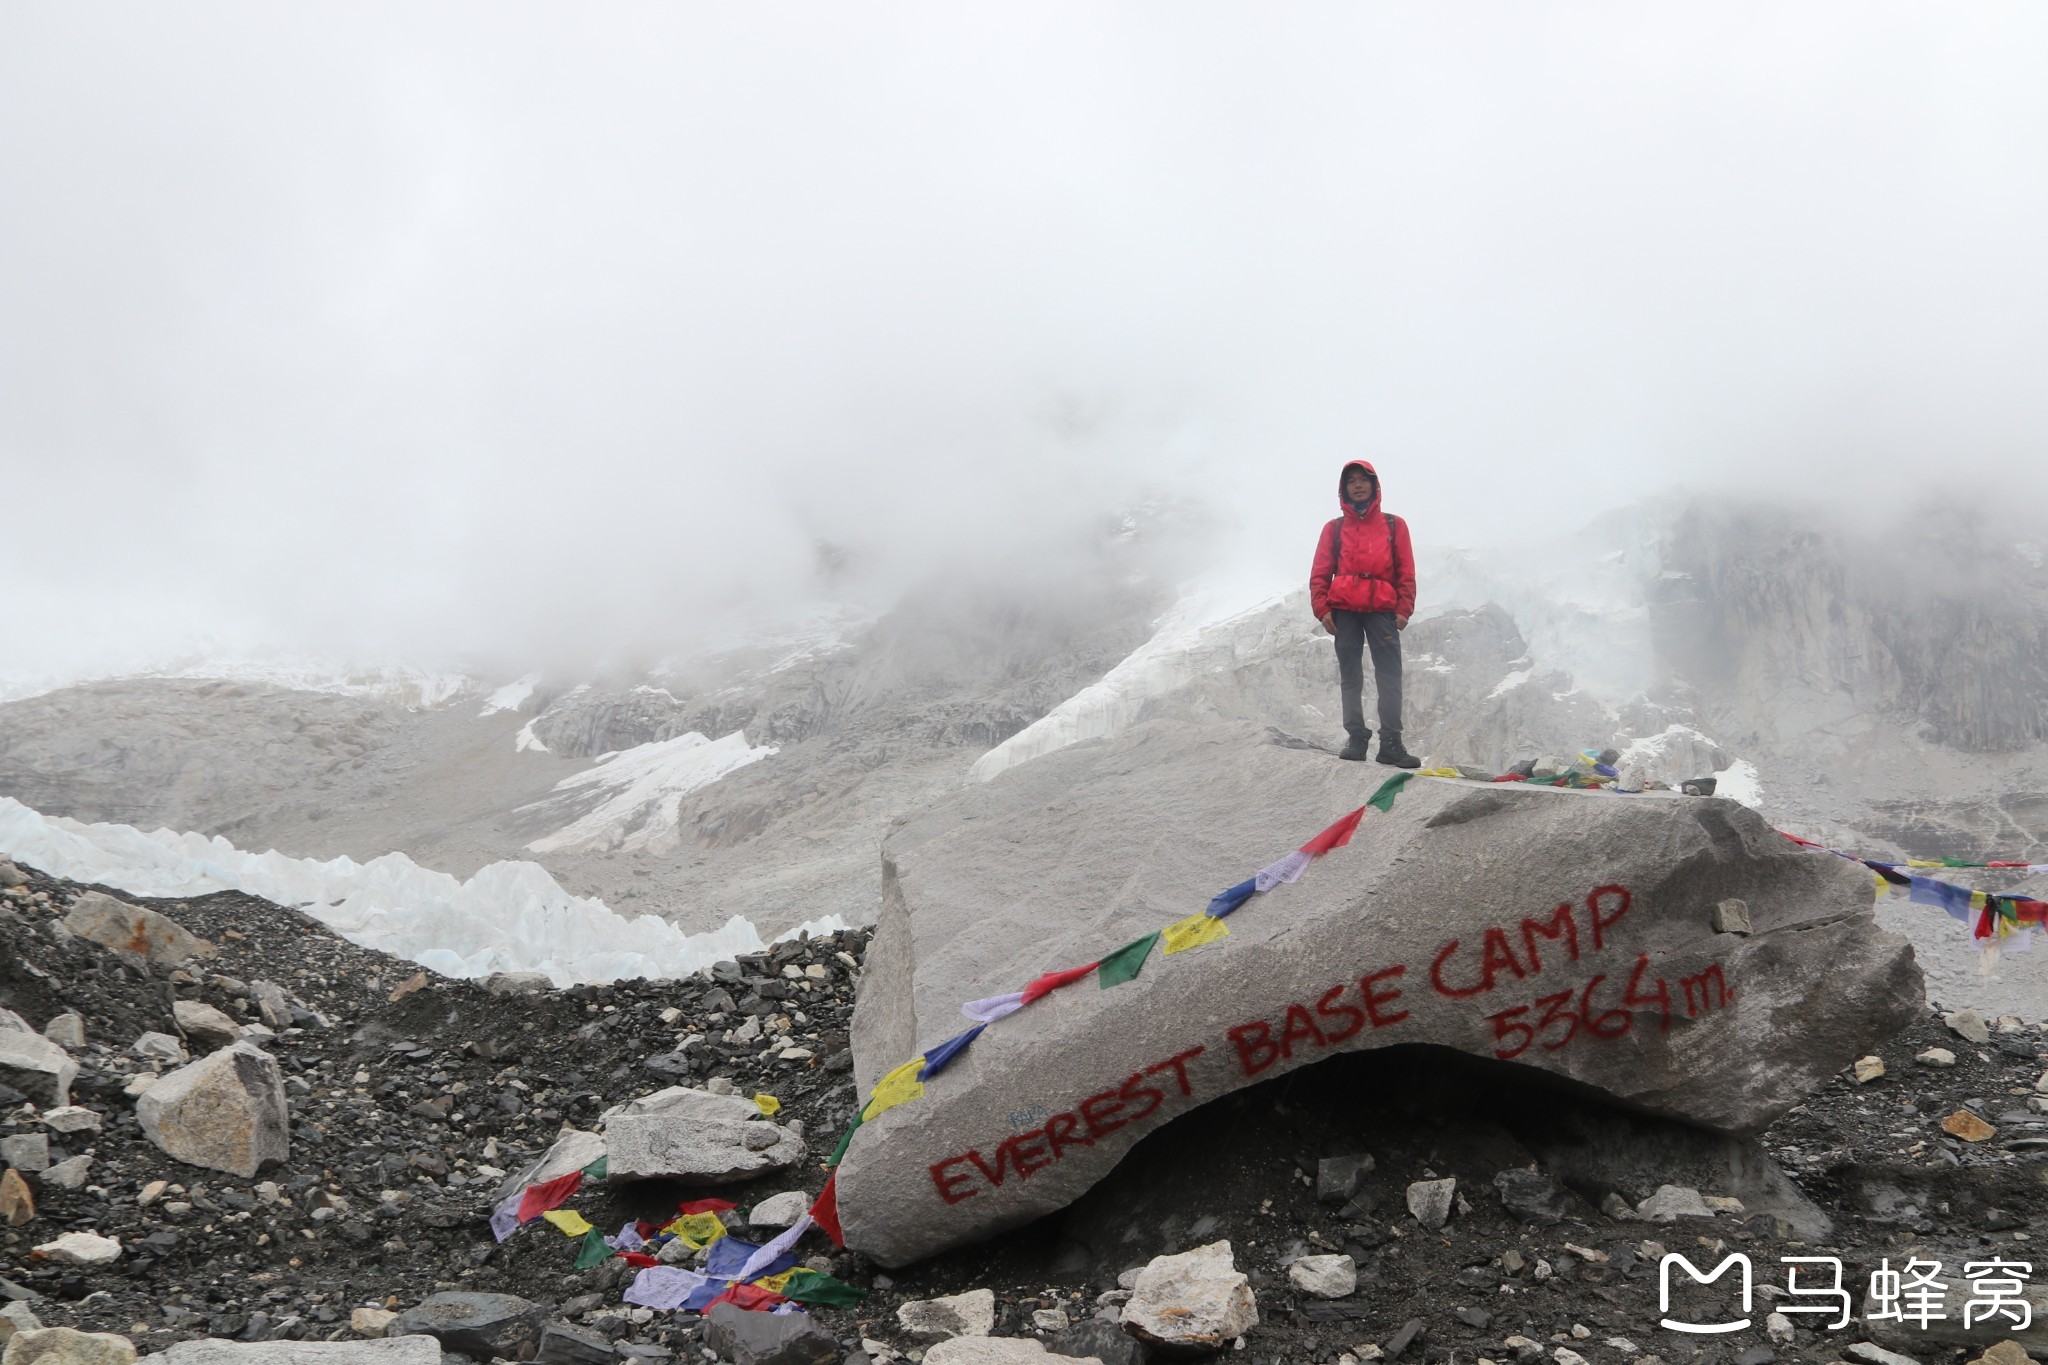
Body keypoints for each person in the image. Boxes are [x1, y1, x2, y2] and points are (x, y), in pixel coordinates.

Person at [1309, 459, 1420, 767]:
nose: (1357, 485)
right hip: (1343, 609)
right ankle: (1356, 737)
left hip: (1381, 609)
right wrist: (1322, 608)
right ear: (1343, 489)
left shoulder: (1393, 525)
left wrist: (1403, 609)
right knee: (1351, 675)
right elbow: (1320, 572)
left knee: (1389, 676)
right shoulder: (1334, 528)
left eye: (1363, 480)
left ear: (1374, 486)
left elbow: (1406, 570)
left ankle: (1391, 743)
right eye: (1351, 481)